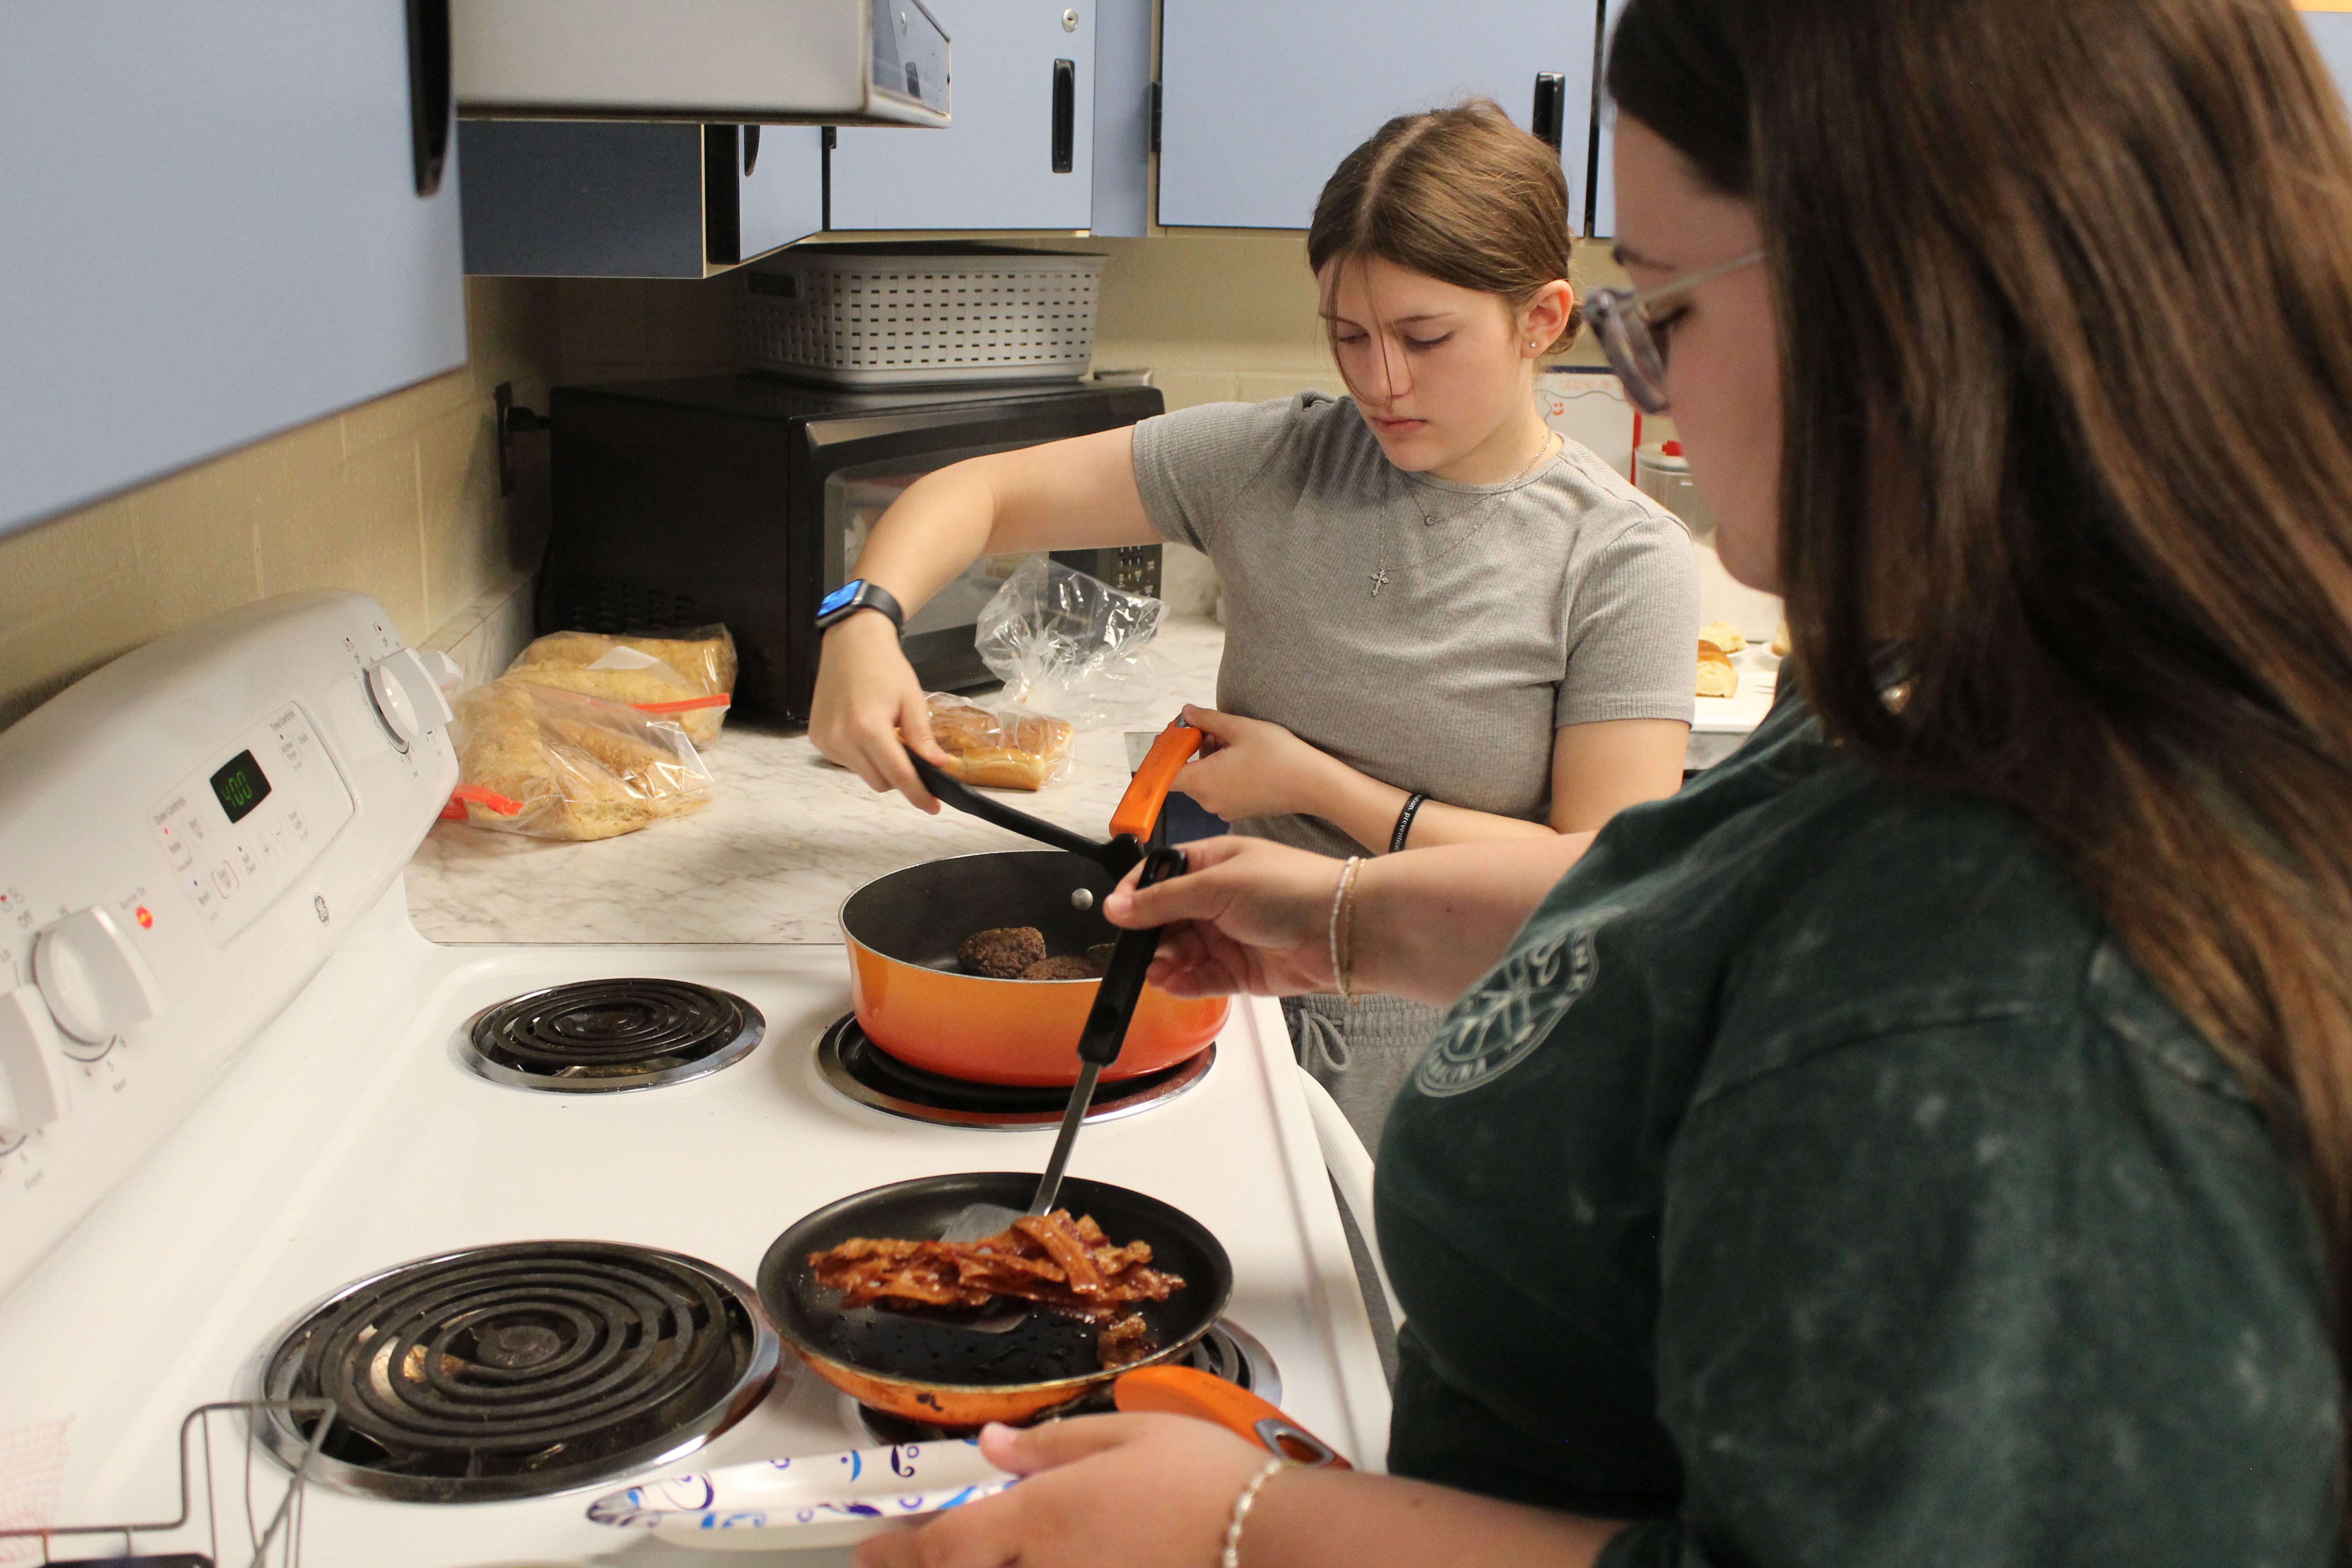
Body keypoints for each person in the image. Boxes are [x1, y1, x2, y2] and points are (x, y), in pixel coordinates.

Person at [853, 0, 2352, 1563]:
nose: (1641, 398)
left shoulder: (2034, 993)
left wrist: (1249, 1524)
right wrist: (1350, 921)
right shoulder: (1954, 678)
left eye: (1666, 315)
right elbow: (1710, 911)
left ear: (1908, 305)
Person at [810, 100, 1699, 1143]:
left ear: (1541, 320)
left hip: (1454, 1068)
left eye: (1424, 339)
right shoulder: (1273, 460)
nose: (1380, 381)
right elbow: (978, 494)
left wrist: (1317, 786)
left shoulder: (1623, 558)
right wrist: (860, 621)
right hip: (1222, 1015)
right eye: (1348, 337)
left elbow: (1600, 881)